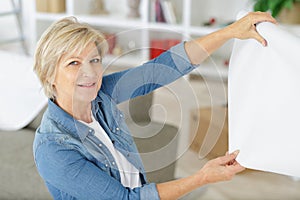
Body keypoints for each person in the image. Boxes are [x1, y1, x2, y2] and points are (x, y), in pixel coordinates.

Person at [33, 12, 276, 200]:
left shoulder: (100, 95)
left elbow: (161, 70)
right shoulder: (53, 149)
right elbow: (126, 198)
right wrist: (202, 177)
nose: (89, 72)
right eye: (73, 63)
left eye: (94, 60)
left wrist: (230, 32)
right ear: (49, 75)